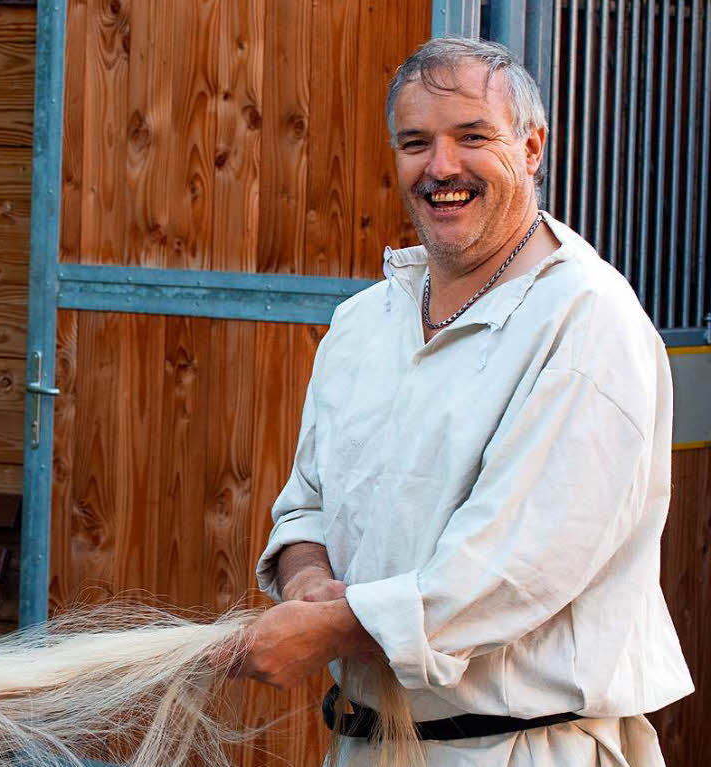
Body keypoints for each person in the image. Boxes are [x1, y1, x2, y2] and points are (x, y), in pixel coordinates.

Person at [236, 37, 693, 766]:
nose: (441, 167)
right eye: (416, 143)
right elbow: (305, 507)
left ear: (533, 146)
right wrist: (308, 581)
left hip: (521, 748)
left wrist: (331, 629)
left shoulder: (586, 321)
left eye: (472, 137)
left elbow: (509, 570)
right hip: (366, 746)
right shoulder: (362, 324)